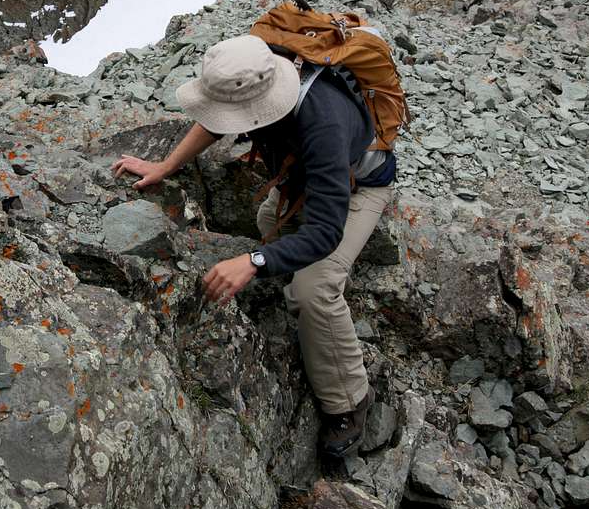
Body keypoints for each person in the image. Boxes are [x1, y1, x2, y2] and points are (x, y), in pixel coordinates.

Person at [111, 34, 395, 458]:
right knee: (268, 220)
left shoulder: (323, 122)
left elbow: (325, 232)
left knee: (312, 290)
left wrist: (255, 261)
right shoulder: (259, 66)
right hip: (301, 176)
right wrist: (166, 165)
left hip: (360, 188)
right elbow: (216, 117)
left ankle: (350, 401)